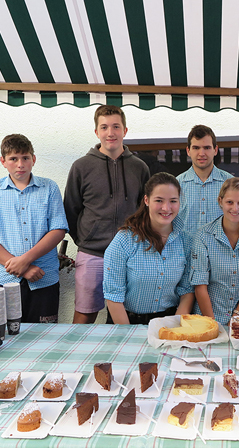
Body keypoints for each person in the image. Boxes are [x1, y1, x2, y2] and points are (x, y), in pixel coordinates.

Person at [64, 105, 150, 324]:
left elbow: (145, 211)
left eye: (116, 127)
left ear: (125, 130)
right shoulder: (81, 167)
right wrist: (85, 240)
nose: (110, 133)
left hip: (130, 255)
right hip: (92, 254)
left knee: (125, 314)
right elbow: (71, 210)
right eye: (104, 127)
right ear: (96, 132)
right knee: (84, 315)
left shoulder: (140, 168)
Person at [0, 134, 68, 323]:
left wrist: (25, 260)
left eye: (25, 158)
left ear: (33, 159)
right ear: (3, 161)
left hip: (43, 279)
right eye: (13, 159)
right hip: (2, 279)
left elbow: (58, 230)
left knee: (43, 335)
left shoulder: (49, 188)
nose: (20, 164)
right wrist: (23, 269)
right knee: (1, 334)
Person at [103, 172, 194, 324]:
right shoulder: (125, 239)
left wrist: (175, 328)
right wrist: (129, 334)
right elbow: (113, 296)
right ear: (146, 200)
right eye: (159, 200)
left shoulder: (187, 241)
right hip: (126, 321)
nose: (166, 208)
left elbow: (187, 291)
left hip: (169, 322)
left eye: (173, 201)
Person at [190, 178, 239, 325]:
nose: (235, 209)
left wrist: (237, 315)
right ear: (221, 201)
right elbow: (200, 285)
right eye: (230, 202)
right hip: (207, 317)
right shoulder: (204, 235)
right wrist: (213, 323)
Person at [176, 125, 233, 234]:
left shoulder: (230, 183)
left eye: (207, 148)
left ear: (215, 150)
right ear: (188, 151)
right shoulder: (176, 185)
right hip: (187, 246)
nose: (201, 153)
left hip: (221, 245)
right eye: (196, 148)